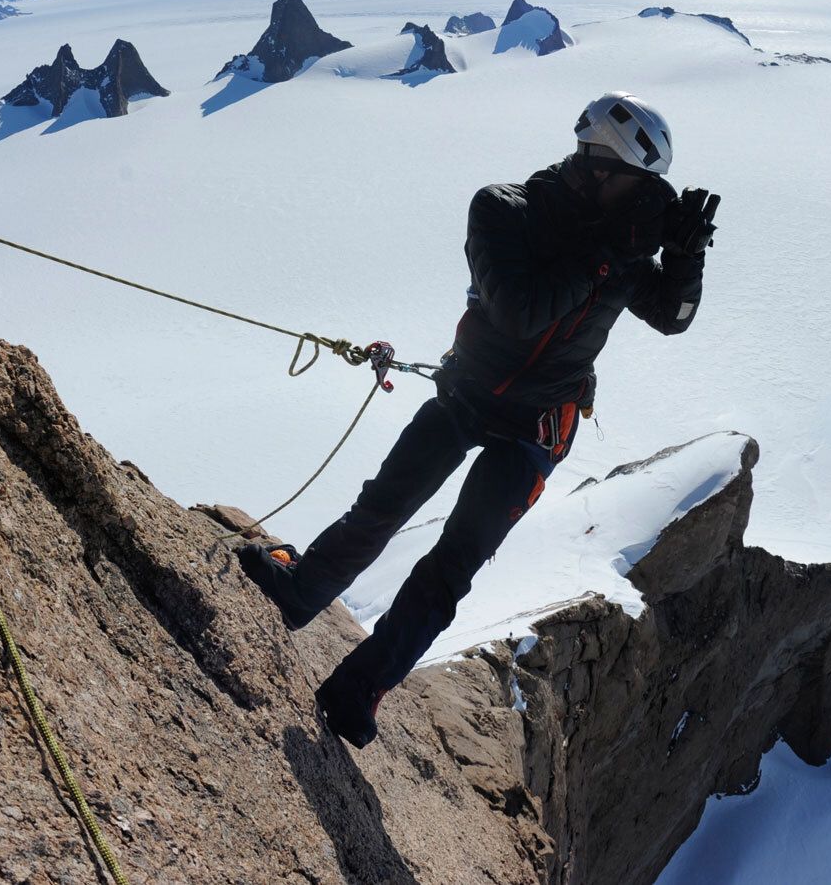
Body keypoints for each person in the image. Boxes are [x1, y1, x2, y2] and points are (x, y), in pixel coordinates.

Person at [238, 91, 721, 747]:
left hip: (537, 429)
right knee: (385, 504)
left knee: (453, 564)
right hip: (468, 392)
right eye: (640, 185)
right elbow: (523, 310)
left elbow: (675, 316)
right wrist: (610, 252)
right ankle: (300, 592)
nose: (648, 202)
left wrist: (685, 257)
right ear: (601, 167)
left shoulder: (623, 246)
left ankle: (362, 685)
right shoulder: (504, 209)